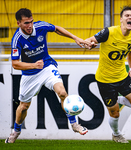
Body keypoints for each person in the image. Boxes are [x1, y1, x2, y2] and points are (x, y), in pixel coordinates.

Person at [5, 8, 90, 143]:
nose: (30, 26)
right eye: (26, 23)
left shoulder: (40, 26)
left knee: (62, 93)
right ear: (18, 23)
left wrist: (75, 38)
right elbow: (15, 64)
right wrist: (33, 65)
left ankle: (74, 124)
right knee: (24, 107)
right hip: (29, 74)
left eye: (31, 22)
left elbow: (56, 28)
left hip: (47, 66)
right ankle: (16, 130)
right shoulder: (17, 39)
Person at [85, 6, 131, 143]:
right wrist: (90, 43)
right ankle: (116, 134)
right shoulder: (109, 32)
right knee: (114, 113)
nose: (130, 17)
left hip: (122, 77)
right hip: (105, 80)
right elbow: (91, 39)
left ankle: (115, 100)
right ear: (121, 20)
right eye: (127, 16)